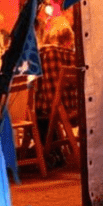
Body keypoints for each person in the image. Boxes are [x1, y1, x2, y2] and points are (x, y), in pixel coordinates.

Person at [35, 16, 79, 152]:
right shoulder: (75, 56)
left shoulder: (45, 54)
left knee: (31, 110)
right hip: (77, 107)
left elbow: (48, 94)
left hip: (54, 107)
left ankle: (46, 155)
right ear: (68, 39)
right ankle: (56, 153)